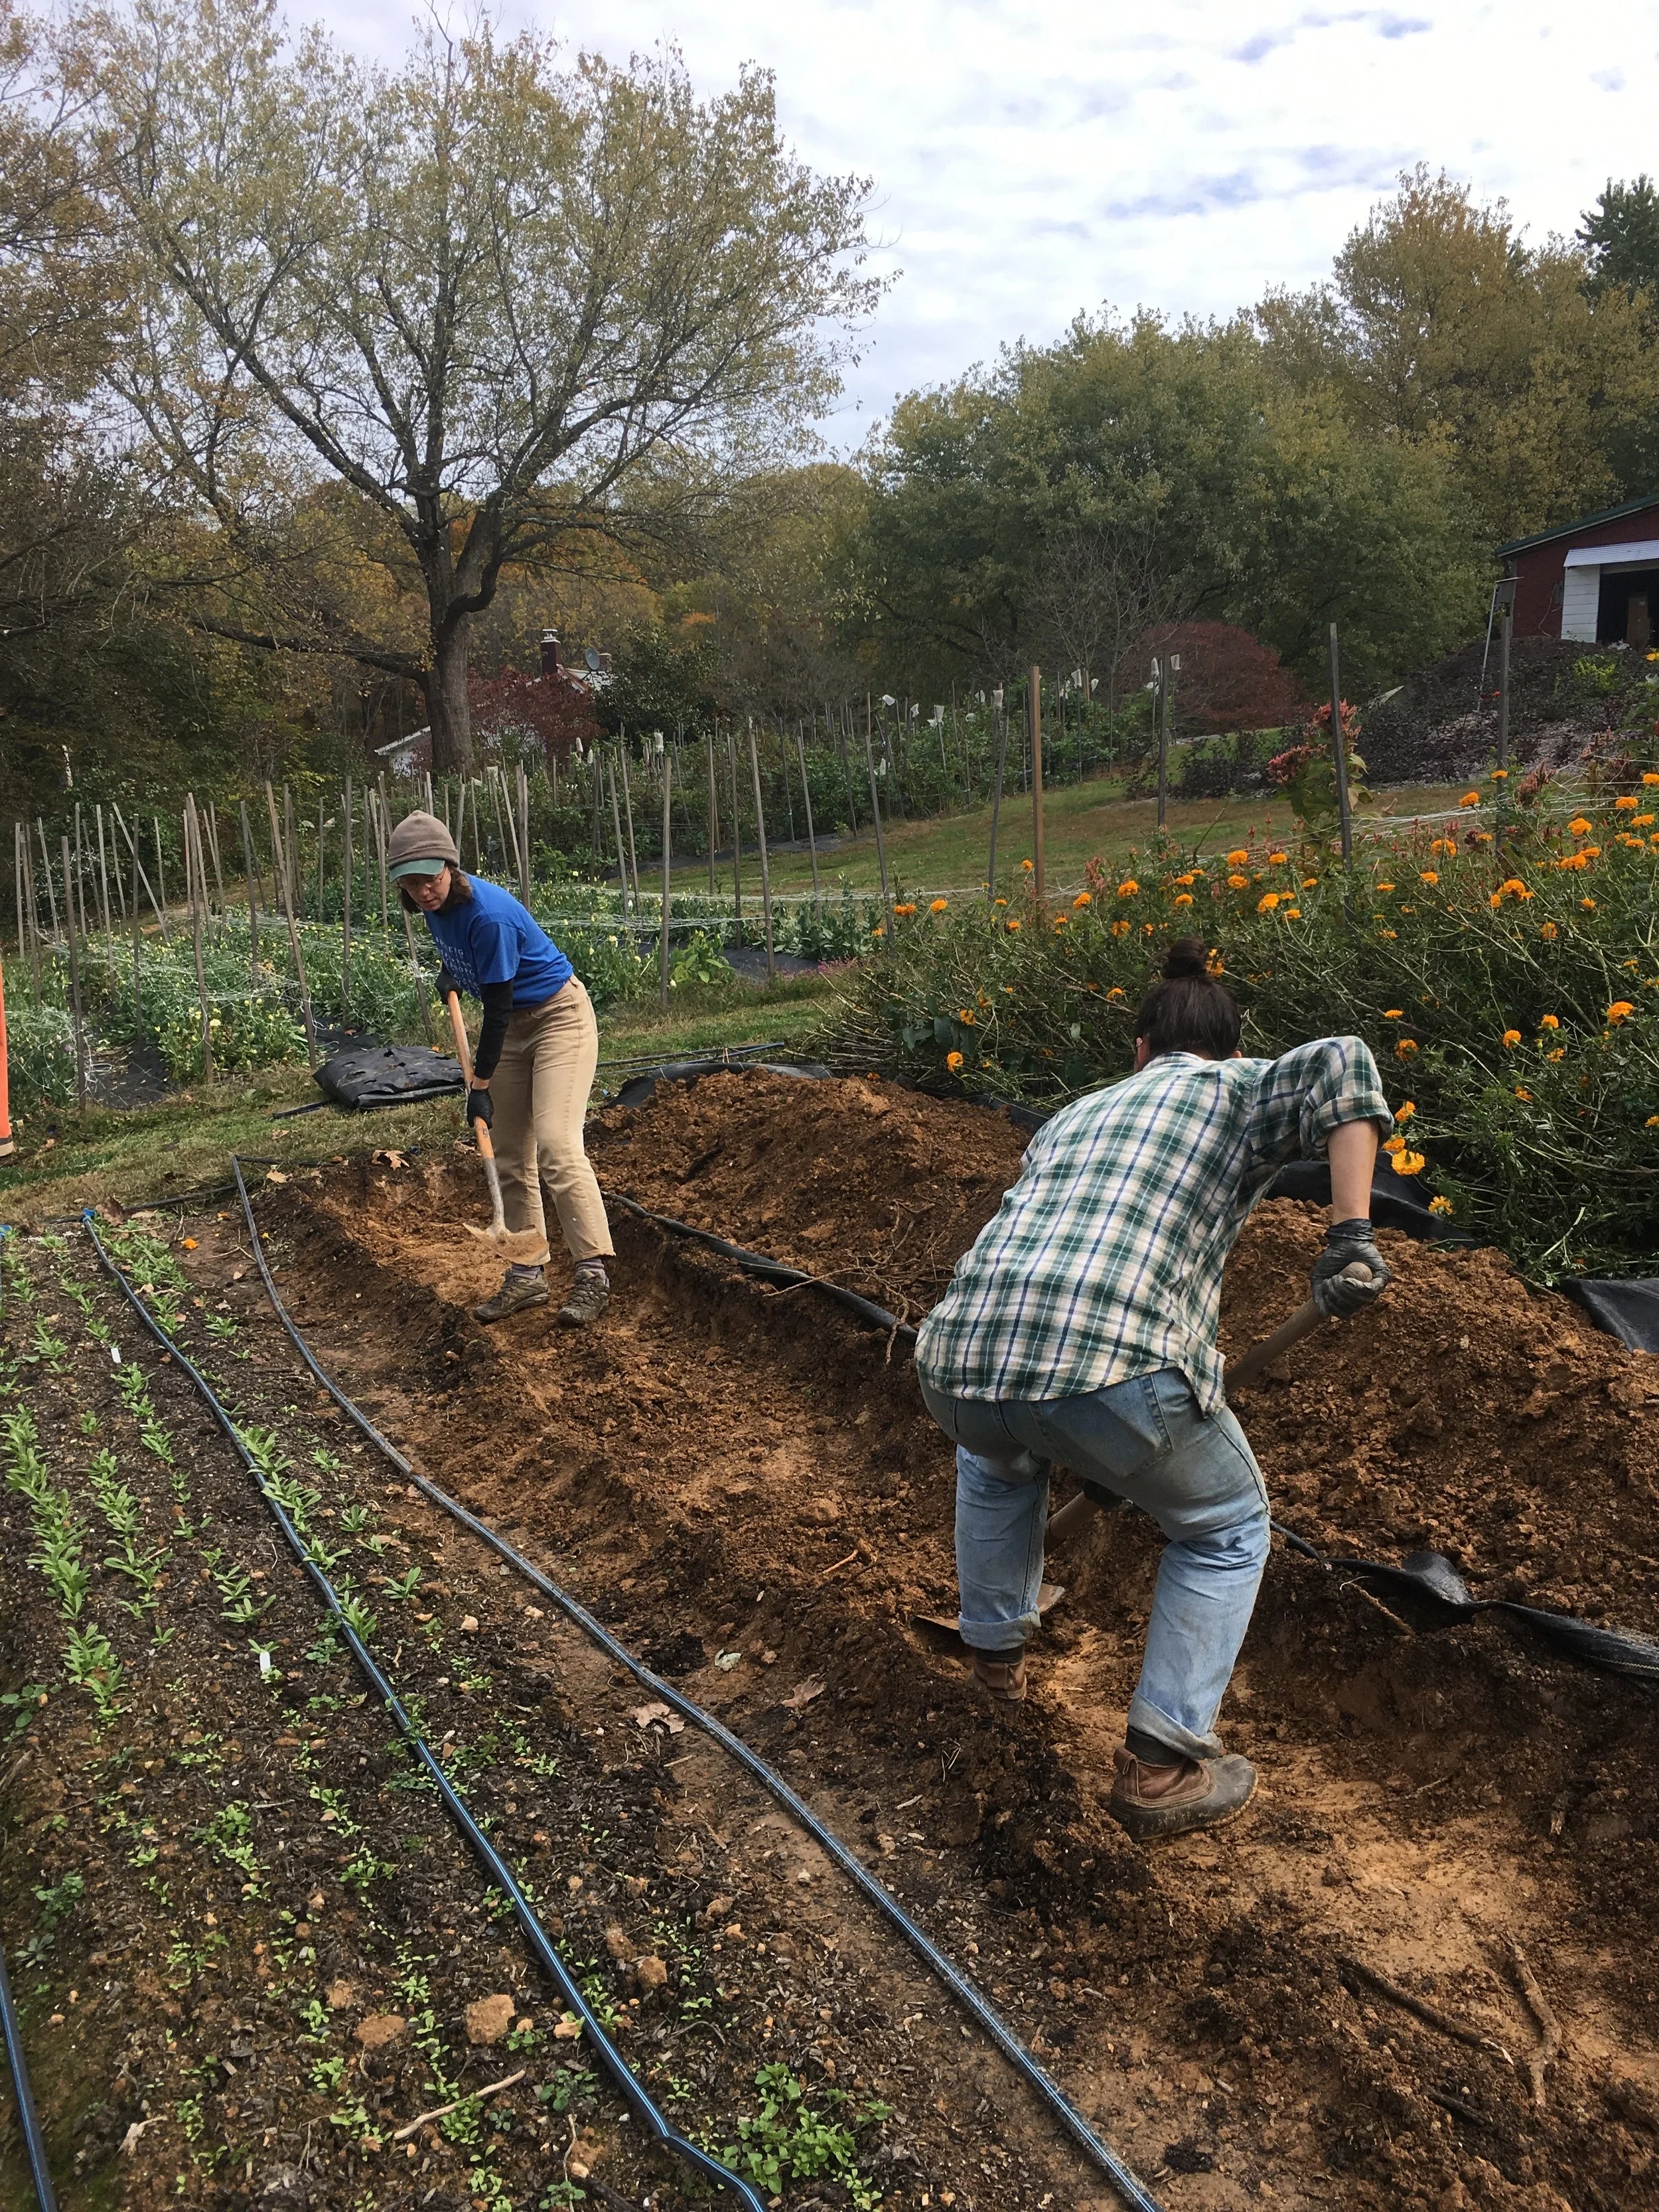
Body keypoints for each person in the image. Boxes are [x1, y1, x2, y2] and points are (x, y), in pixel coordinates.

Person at [913, 937, 1392, 1841]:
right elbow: (1344, 1061)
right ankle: (1162, 1767)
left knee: (997, 1462)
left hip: (958, 1357)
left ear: (1138, 1049)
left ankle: (992, 1670)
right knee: (1225, 1526)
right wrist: (1350, 1235)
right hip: (1110, 1365)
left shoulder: (1076, 1112)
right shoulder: (1239, 1087)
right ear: (1233, 1048)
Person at [386, 810, 614, 1327]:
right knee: (510, 1153)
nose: (424, 891)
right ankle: (527, 1273)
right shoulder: (432, 905)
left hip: (557, 1018)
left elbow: (496, 1009)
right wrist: (451, 969)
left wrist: (480, 1085)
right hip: (512, 1028)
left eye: (431, 877)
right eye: (412, 883)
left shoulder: (488, 914)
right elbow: (465, 952)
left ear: (450, 866)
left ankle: (592, 1271)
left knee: (556, 1144)